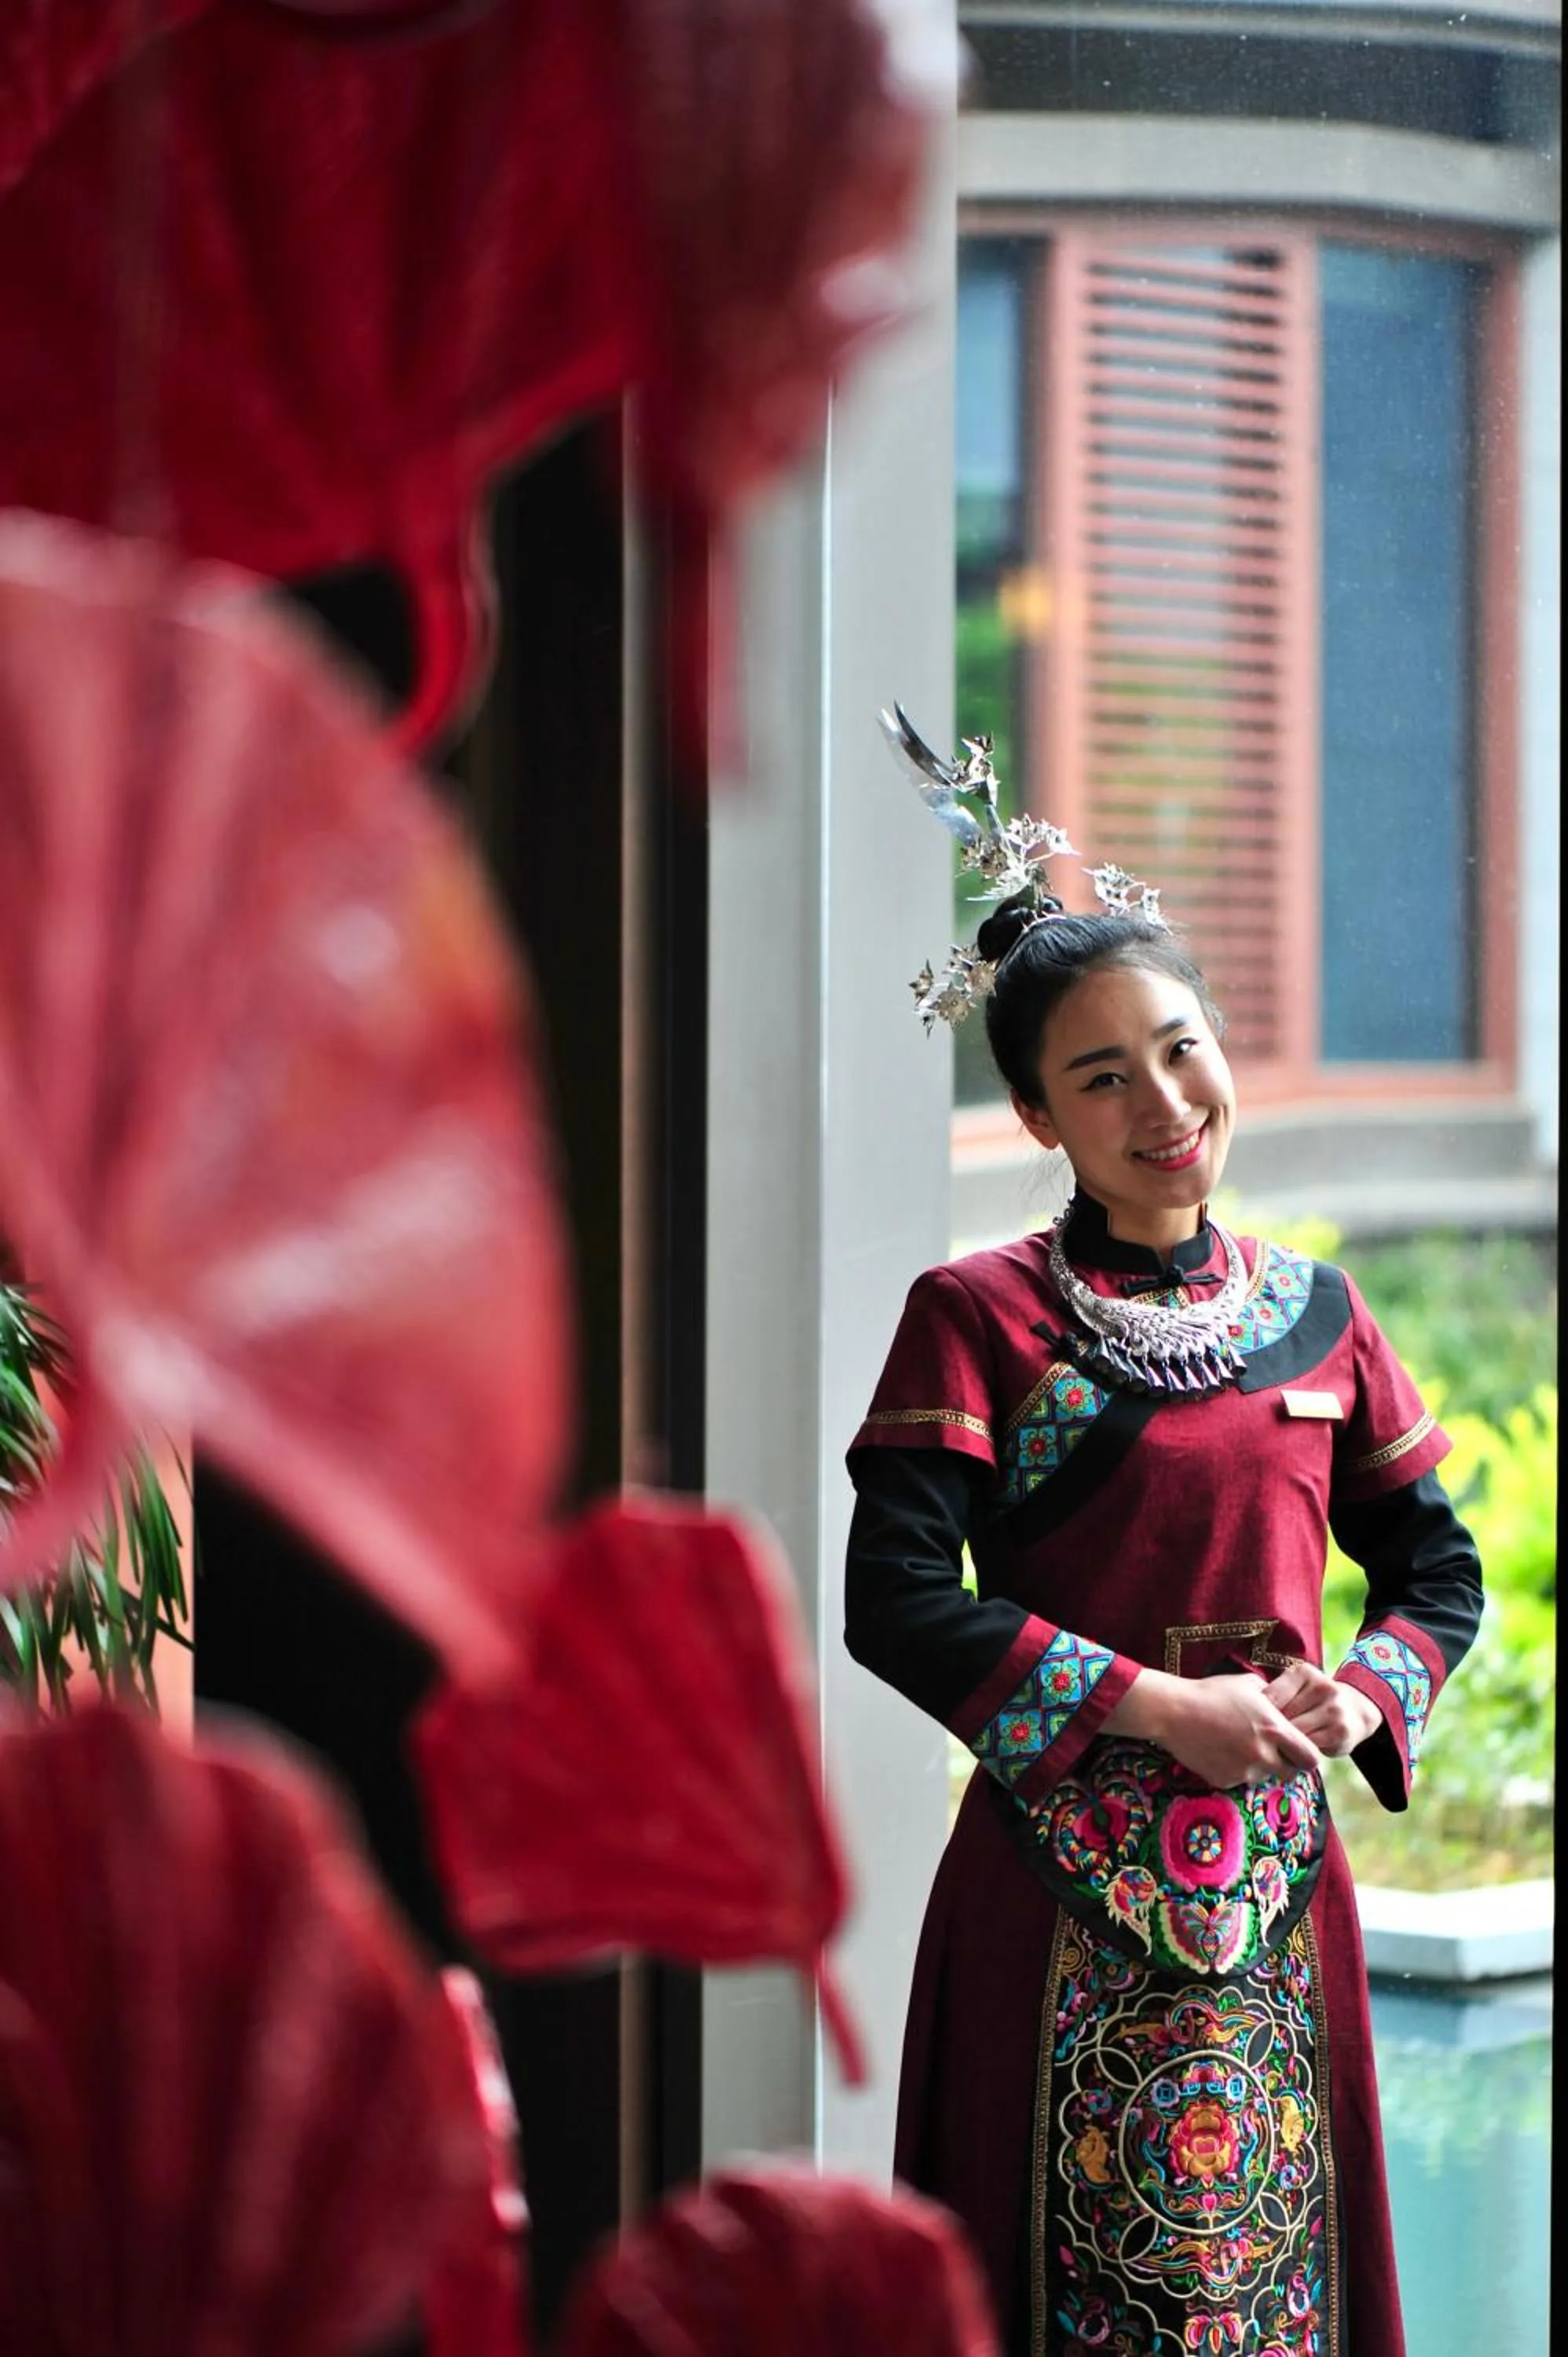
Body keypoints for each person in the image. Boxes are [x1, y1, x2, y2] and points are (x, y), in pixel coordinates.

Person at [844, 790, 1483, 2357]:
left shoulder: (1316, 1312)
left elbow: (1435, 1569)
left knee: (1277, 2284)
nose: (1161, 1099)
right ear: (1039, 1118)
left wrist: (1357, 1692)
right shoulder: (976, 1319)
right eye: (1099, 1075)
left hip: (1275, 1895)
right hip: (1053, 1887)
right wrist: (1147, 1708)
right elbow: (897, 1599)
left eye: (1180, 1047)